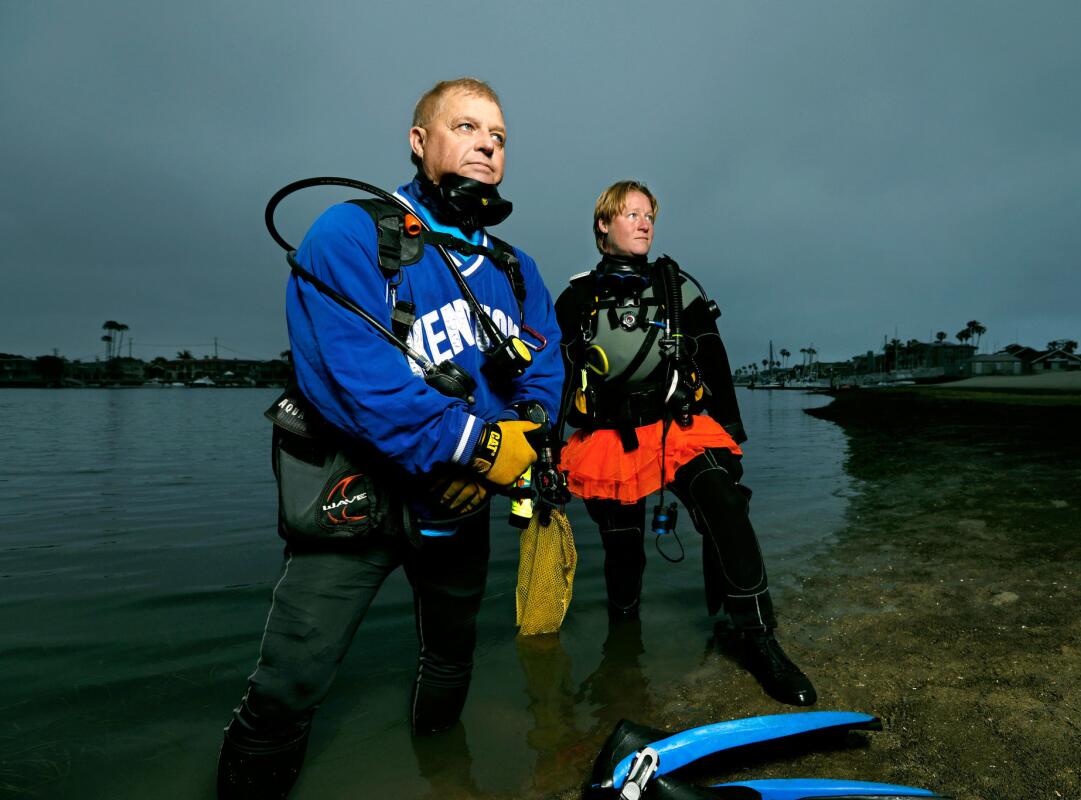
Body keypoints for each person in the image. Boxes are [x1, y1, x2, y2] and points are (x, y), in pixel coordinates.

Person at [217, 78, 563, 798]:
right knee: (291, 677)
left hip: (460, 509)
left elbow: (546, 369)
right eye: (466, 127)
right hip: (356, 501)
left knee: (450, 659)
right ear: (420, 140)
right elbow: (353, 382)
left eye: (498, 137)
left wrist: (520, 438)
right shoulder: (348, 233)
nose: (487, 145)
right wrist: (481, 449)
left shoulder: (517, 271)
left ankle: (444, 777)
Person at [554, 180, 816, 707]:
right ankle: (622, 654)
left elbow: (715, 361)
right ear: (603, 224)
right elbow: (551, 378)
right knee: (621, 552)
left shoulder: (679, 288)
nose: (644, 222)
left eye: (649, 214)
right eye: (631, 214)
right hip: (610, 437)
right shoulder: (576, 297)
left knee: (724, 504)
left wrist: (733, 440)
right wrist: (542, 451)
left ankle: (760, 639)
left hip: (679, 427)